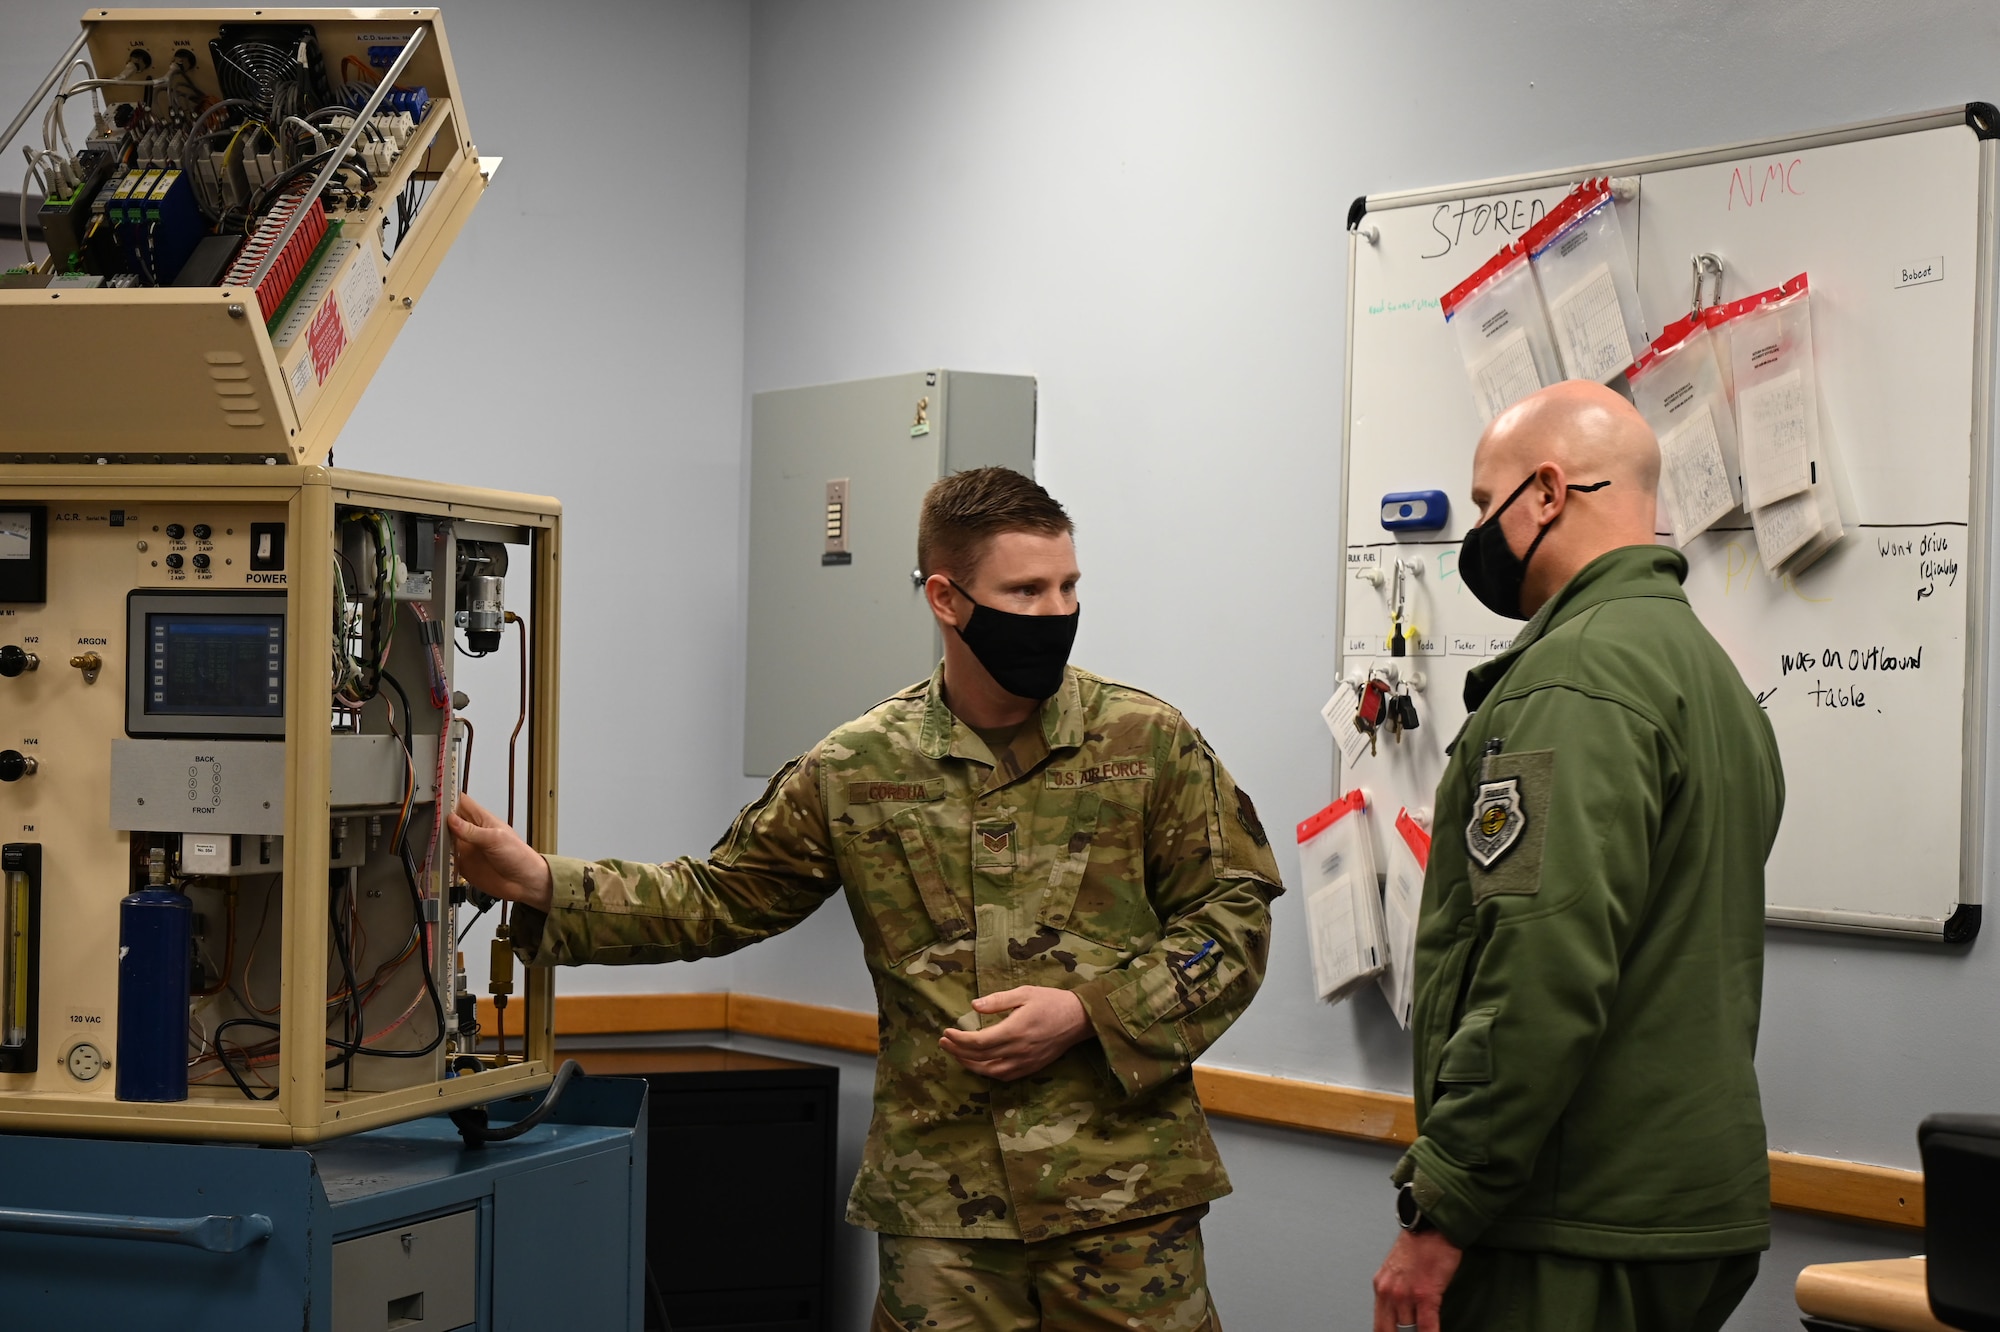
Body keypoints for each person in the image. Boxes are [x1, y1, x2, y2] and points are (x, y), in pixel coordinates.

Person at [450, 466, 1283, 1331]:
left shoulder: (1147, 742)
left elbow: (1233, 921)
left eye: (1068, 587)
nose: (1055, 612)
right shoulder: (860, 765)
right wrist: (542, 881)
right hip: (942, 1212)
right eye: (1025, 589)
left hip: (1123, 1200)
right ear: (946, 599)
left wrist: (1090, 1012)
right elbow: (722, 897)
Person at [1371, 381, 1785, 1332]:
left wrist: (1442, 1206)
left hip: (1571, 1221)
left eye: (1484, 505)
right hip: (1674, 1213)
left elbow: (1538, 966)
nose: (1476, 529)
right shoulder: (1706, 675)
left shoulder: (1573, 676)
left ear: (1548, 493)